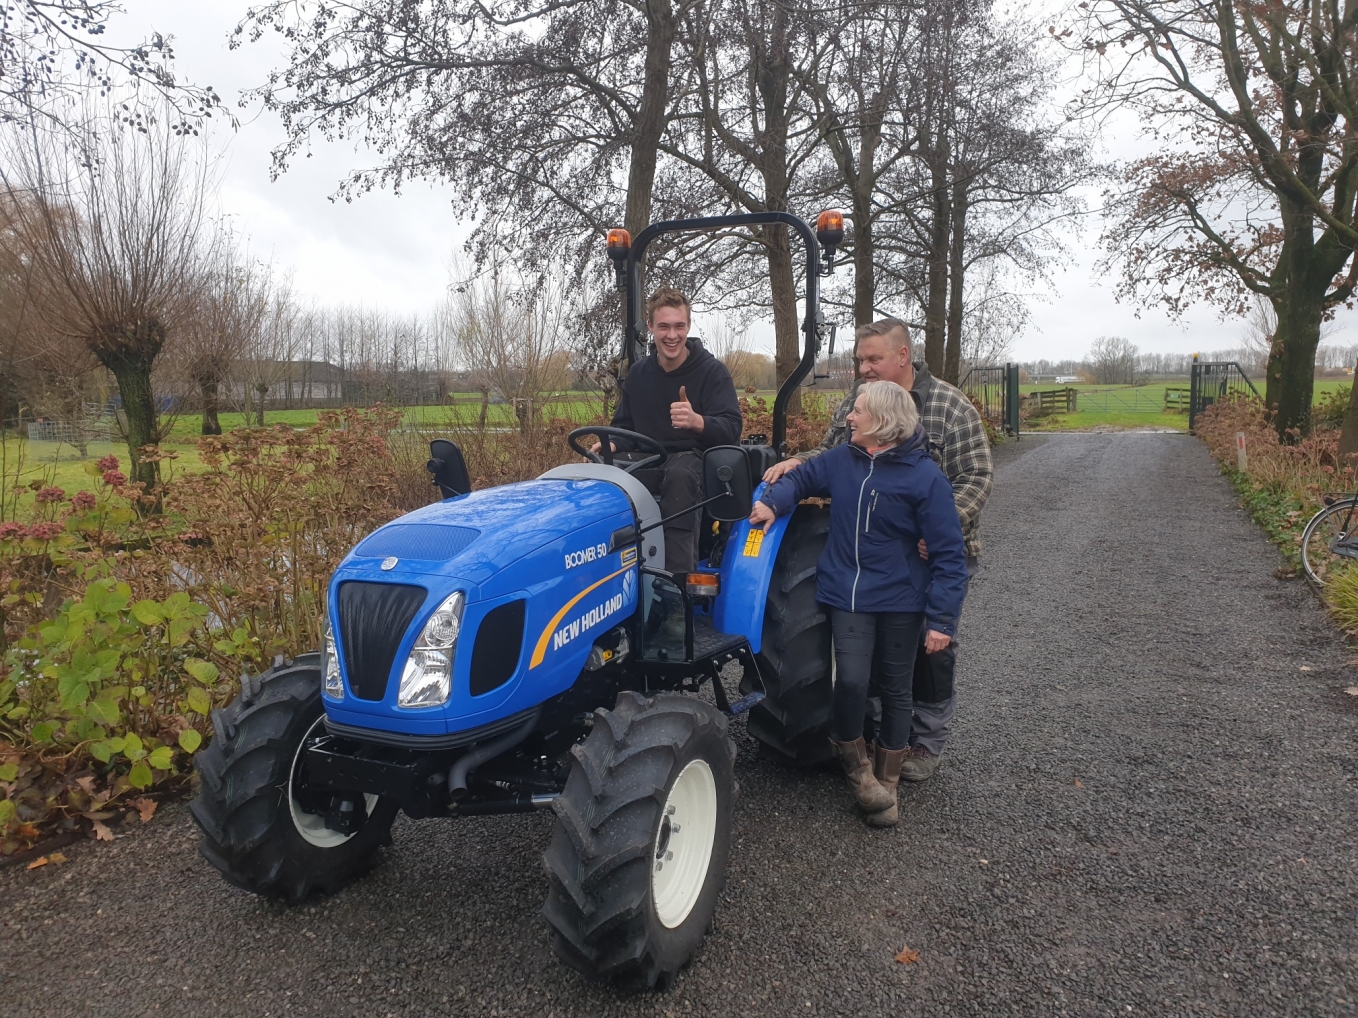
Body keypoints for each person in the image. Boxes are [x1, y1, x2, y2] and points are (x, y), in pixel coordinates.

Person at [762, 318, 992, 782]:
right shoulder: (857, 402)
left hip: (933, 550)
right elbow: (834, 455)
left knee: (929, 653)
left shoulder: (949, 406)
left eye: (873, 359)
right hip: (874, 555)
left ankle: (924, 741)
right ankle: (867, 736)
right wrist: (797, 464)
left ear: (902, 356)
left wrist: (937, 528)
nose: (864, 368)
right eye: (859, 360)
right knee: (866, 657)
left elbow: (977, 477)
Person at [749, 381, 968, 826]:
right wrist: (773, 504)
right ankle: (858, 771)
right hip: (847, 594)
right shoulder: (842, 461)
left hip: (901, 600)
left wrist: (942, 619)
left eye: (858, 412)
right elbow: (804, 478)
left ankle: (887, 783)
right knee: (849, 682)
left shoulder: (925, 478)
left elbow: (949, 555)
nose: (849, 417)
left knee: (895, 688)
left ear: (883, 423)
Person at [609, 285, 742, 573]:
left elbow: (731, 428)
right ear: (651, 327)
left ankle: (676, 594)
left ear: (689, 326)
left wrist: (698, 421)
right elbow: (624, 425)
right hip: (649, 459)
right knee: (607, 480)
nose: (672, 335)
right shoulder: (639, 374)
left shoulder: (711, 372)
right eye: (664, 327)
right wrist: (611, 445)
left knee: (680, 479)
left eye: (679, 326)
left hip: (695, 460)